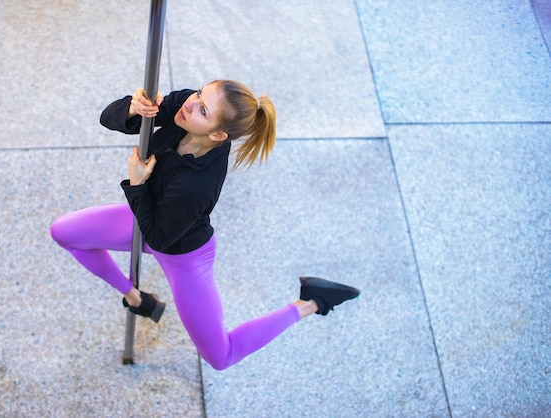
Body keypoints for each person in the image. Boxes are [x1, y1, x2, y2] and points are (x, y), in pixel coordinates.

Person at [50, 80, 360, 370]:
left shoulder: (198, 184)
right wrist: (134, 107)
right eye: (199, 94)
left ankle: (311, 302)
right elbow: (109, 119)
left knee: (221, 356)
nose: (189, 103)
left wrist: (137, 185)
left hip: (183, 253)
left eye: (202, 109)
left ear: (217, 135)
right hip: (146, 218)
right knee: (64, 232)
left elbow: (159, 238)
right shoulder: (185, 110)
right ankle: (134, 296)